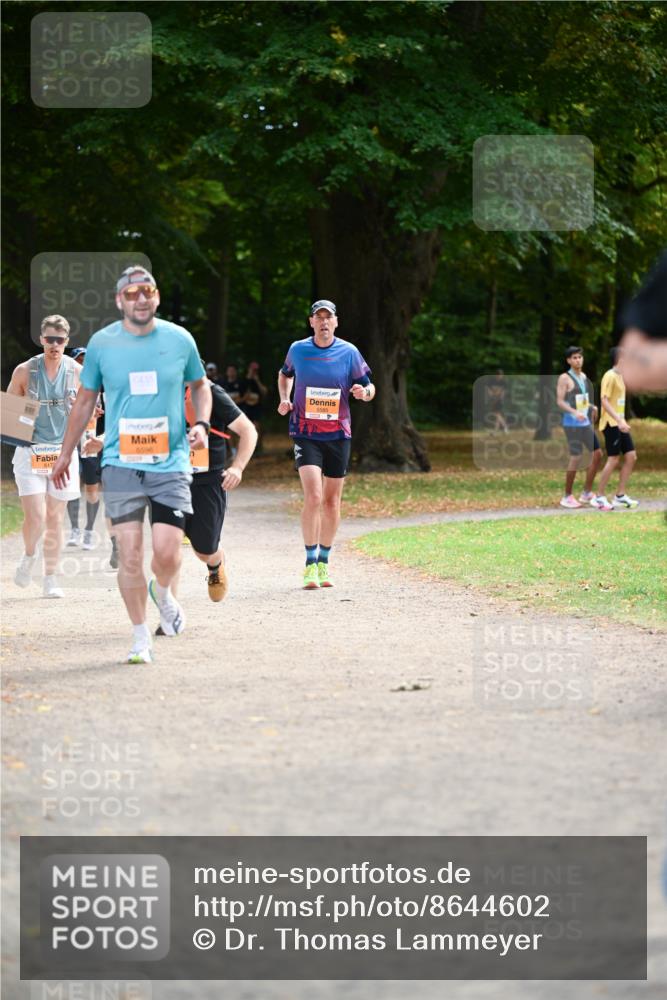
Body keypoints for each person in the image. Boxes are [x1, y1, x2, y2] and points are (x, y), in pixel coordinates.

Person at [51, 265, 212, 664]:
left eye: (148, 291)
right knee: (129, 553)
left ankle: (165, 591)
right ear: (119, 300)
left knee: (168, 552)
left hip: (170, 460)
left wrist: (203, 423)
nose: (141, 298)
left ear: (156, 296)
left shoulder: (179, 339)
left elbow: (200, 385)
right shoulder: (103, 344)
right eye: (132, 293)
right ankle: (141, 635)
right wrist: (66, 451)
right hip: (121, 462)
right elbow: (86, 400)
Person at [277, 299, 375, 589]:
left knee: (332, 501)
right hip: (305, 432)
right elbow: (285, 374)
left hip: (338, 434)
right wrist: (284, 398)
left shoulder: (349, 352)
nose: (323, 322)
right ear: (311, 323)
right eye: (317, 318)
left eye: (327, 318)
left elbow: (369, 386)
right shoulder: (298, 349)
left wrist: (363, 393)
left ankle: (324, 562)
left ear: (335, 322)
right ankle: (309, 565)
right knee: (314, 497)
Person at [7, 314, 81, 598]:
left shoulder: (76, 371)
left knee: (55, 517)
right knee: (35, 517)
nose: (54, 345)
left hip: (63, 452)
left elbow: (89, 411)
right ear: (41, 340)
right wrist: (25, 411)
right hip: (31, 451)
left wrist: (84, 413)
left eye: (60, 340)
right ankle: (28, 556)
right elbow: (9, 411)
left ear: (66, 341)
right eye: (49, 339)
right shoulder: (25, 371)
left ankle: (50, 578)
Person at [182, 378, 257, 603]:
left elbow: (248, 431)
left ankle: (215, 565)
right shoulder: (160, 389)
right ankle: (165, 597)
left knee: (203, 548)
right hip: (171, 479)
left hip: (208, 481)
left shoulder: (213, 392)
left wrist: (237, 468)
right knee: (166, 538)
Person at [556, 346, 606, 509]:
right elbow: (560, 401)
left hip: (584, 423)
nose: (578, 360)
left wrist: (592, 407)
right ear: (568, 360)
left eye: (579, 357)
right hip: (571, 424)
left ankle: (586, 493)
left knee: (597, 454)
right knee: (576, 457)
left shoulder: (583, 376)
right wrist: (574, 412)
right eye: (574, 358)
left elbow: (580, 400)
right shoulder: (564, 378)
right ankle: (567, 496)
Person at [65, 346, 104, 551]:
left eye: (85, 360)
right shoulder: (64, 382)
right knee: (72, 487)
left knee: (91, 488)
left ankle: (89, 530)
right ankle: (74, 529)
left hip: (90, 441)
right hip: (70, 440)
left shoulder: (98, 383)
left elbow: (108, 409)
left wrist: (100, 413)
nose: (83, 363)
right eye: (79, 360)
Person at [594, 347, 639, 509]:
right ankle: (599, 496)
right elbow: (604, 400)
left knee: (631, 456)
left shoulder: (620, 377)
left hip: (620, 424)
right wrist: (618, 420)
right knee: (613, 459)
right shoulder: (610, 376)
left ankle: (620, 495)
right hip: (611, 424)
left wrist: (623, 421)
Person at [240, 361, 268, 453]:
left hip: (257, 408)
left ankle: (258, 447)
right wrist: (245, 397)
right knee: (247, 428)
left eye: (256, 370)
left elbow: (264, 392)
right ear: (249, 369)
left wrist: (257, 381)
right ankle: (248, 448)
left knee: (257, 427)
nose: (254, 372)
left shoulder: (259, 380)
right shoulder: (243, 381)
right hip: (246, 408)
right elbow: (240, 397)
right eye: (253, 369)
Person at [486, 368, 508, 434]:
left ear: (502, 375)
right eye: (498, 374)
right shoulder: (492, 381)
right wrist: (491, 396)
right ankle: (504, 428)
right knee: (498, 415)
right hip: (493, 399)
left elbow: (503, 392)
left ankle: (496, 430)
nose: (499, 376)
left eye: (500, 375)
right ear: (496, 375)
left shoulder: (504, 382)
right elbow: (488, 389)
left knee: (497, 414)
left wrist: (498, 398)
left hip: (500, 400)